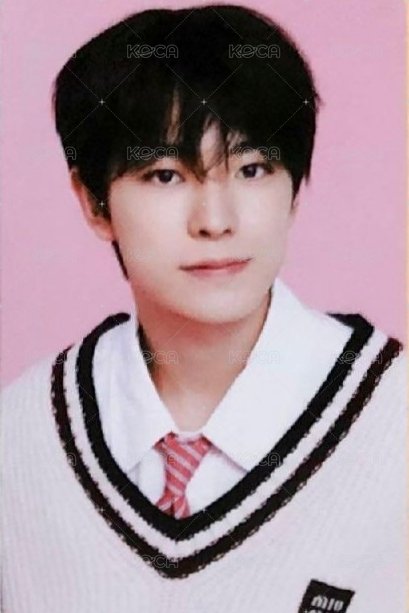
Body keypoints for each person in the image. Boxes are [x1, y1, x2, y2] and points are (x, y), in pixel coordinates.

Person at [1, 5, 406, 612]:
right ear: (93, 201)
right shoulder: (21, 436)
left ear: (295, 189)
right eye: (166, 176)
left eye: (252, 169)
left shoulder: (394, 422)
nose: (216, 221)